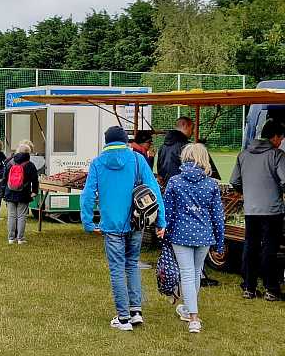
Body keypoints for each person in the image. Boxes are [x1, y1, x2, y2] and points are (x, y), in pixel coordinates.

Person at [81, 126, 166, 331]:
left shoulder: (98, 163)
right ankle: (136, 311)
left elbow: (88, 195)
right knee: (131, 264)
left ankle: (123, 318)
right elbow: (154, 191)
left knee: (117, 268)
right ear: (125, 141)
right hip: (136, 223)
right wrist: (161, 222)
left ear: (106, 142)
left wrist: (88, 222)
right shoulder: (137, 160)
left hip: (111, 225)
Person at [164, 143, 225, 333]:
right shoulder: (211, 184)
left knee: (188, 273)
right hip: (204, 235)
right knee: (195, 272)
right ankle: (189, 311)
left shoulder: (175, 182)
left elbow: (168, 212)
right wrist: (220, 242)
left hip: (180, 234)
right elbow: (218, 216)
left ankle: (193, 317)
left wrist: (165, 231)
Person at [229, 119, 285, 301]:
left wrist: (249, 193)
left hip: (250, 210)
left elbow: (235, 181)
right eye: (281, 138)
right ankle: (271, 289)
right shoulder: (277, 155)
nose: (281, 142)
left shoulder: (243, 154)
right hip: (272, 211)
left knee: (250, 247)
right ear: (275, 137)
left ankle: (249, 287)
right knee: (270, 249)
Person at [4, 141, 40, 246]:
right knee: (21, 216)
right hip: (24, 194)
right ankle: (20, 238)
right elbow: (35, 180)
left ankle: (11, 238)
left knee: (11, 216)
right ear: (28, 153)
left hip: (10, 193)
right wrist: (34, 192)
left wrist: (4, 193)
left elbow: (5, 178)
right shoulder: (30, 165)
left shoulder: (10, 163)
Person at [157, 116, 194, 184]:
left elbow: (159, 169)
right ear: (185, 125)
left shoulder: (162, 147)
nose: (192, 132)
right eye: (191, 129)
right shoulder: (188, 147)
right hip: (182, 187)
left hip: (167, 187)